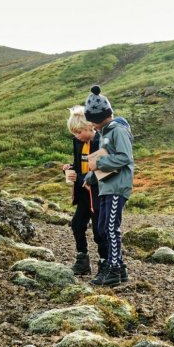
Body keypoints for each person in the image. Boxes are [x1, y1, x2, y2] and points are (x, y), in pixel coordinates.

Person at [83, 85, 134, 287]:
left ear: (99, 117)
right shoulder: (106, 133)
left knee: (111, 228)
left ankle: (113, 269)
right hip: (106, 187)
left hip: (117, 187)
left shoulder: (118, 130)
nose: (92, 126)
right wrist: (91, 177)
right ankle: (119, 268)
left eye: (93, 121)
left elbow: (124, 157)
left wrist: (98, 165)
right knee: (104, 227)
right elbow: (106, 160)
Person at [62, 106, 106, 275]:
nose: (76, 136)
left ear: (89, 127)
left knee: (99, 231)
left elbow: (97, 173)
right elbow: (80, 167)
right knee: (77, 224)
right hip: (83, 194)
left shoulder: (100, 142)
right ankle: (82, 261)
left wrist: (79, 178)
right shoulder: (79, 142)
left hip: (97, 194)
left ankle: (104, 263)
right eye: (74, 133)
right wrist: (68, 169)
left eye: (78, 132)